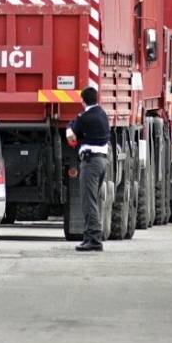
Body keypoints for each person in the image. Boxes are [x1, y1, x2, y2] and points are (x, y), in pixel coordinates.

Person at [66, 86, 110, 252]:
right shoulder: (102, 114)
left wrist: (72, 125)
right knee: (93, 200)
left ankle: (94, 239)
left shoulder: (84, 117)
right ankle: (88, 237)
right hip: (102, 161)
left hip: (90, 162)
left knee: (88, 201)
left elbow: (72, 135)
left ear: (82, 100)